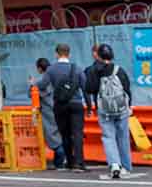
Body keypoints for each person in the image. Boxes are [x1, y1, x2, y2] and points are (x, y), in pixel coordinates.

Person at [85, 43, 134, 179]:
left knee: (108, 137)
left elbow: (89, 89)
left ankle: (114, 165)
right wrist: (129, 106)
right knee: (123, 136)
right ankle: (126, 166)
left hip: (104, 109)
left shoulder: (93, 71)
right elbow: (127, 89)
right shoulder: (119, 70)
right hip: (121, 109)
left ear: (98, 56)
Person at [43, 43, 86, 171]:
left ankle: (70, 161)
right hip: (77, 104)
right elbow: (85, 87)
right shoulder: (77, 69)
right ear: (69, 54)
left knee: (65, 134)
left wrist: (32, 84)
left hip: (60, 105)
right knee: (77, 133)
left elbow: (43, 84)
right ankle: (79, 162)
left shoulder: (51, 69)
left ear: (56, 54)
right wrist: (89, 106)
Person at [33, 57, 64, 169]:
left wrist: (32, 84)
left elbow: (32, 94)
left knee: (53, 140)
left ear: (40, 69)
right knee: (60, 136)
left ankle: (59, 161)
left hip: (47, 113)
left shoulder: (40, 82)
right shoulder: (57, 79)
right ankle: (59, 162)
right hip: (61, 110)